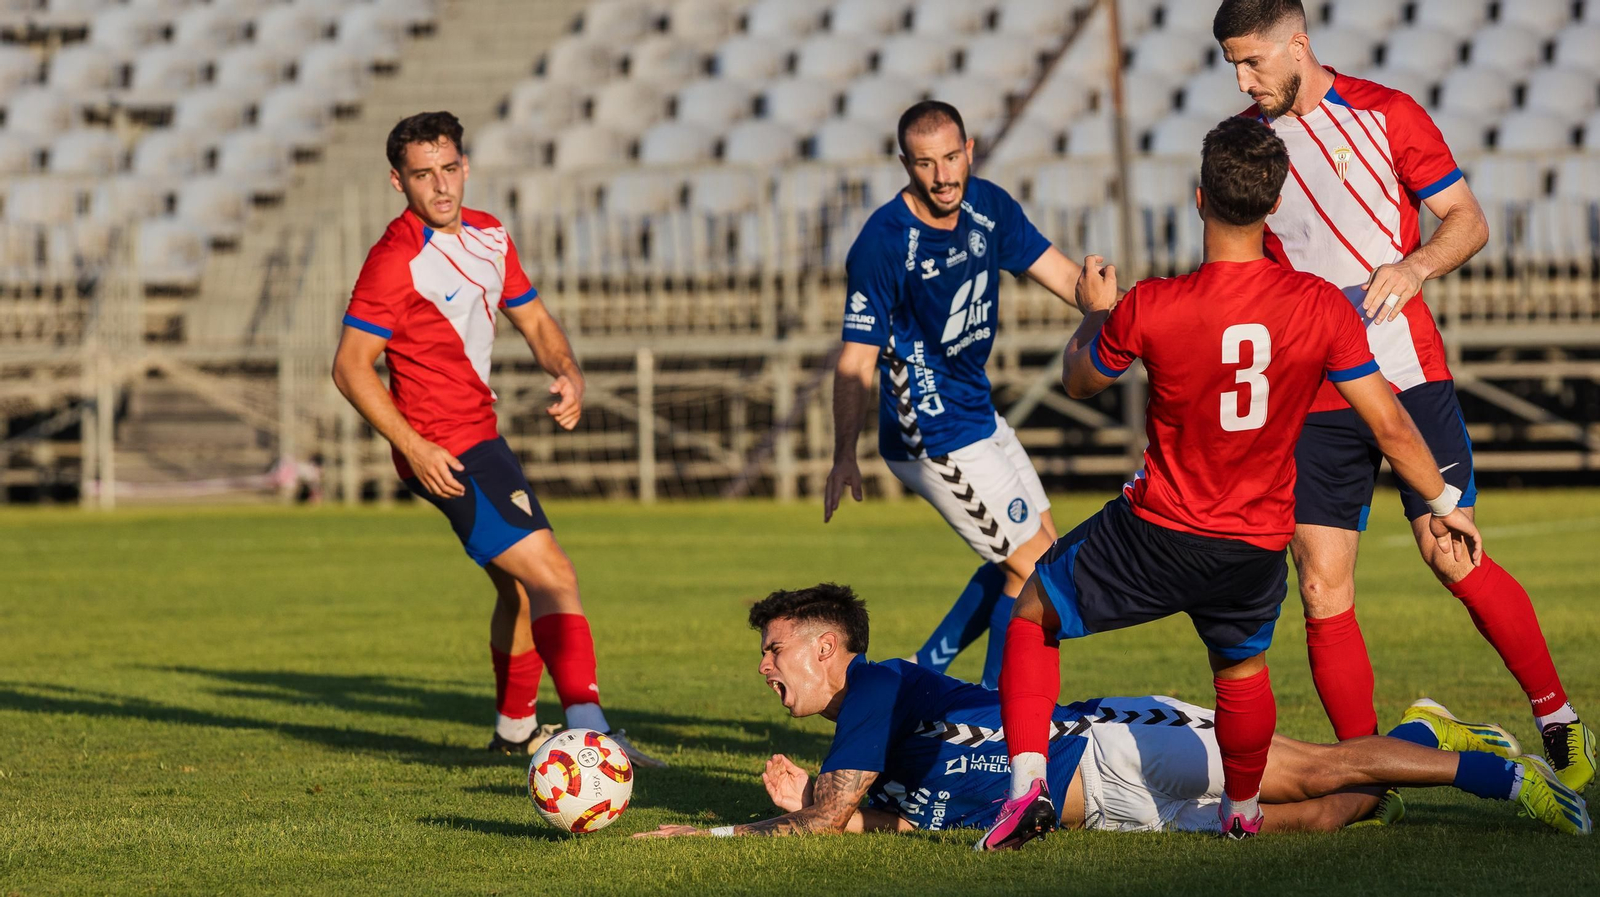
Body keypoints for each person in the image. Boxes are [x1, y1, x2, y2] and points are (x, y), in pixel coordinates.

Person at [985, 117, 1484, 847]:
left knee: (1032, 612)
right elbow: (1391, 426)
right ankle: (1242, 811)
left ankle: (1027, 789)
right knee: (1242, 671)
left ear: (1199, 199)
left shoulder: (1152, 303)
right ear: (1275, 204)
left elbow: (1081, 379)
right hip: (1255, 541)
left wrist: (1096, 312)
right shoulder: (1321, 305)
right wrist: (1443, 502)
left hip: (1158, 530)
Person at [1211, 0, 1593, 791]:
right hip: (1315, 388)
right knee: (1321, 583)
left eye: (1252, 61)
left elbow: (1467, 221)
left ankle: (1558, 718)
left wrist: (1416, 266)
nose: (1242, 80)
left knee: (1451, 552)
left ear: (1297, 44)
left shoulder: (1388, 114)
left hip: (1407, 373)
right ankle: (1368, 774)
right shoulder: (1247, 145)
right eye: (1232, 65)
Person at [630, 584, 1588, 839]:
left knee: (1321, 769)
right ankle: (1424, 732)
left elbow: (828, 817)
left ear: (826, 646)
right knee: (1332, 811)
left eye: (774, 648)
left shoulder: (874, 687)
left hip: (1112, 745)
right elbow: (873, 822)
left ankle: (1507, 777)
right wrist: (818, 808)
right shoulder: (867, 740)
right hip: (1114, 810)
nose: (764, 667)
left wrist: (713, 831)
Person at [330, 111, 663, 766]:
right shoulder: (394, 260)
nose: (440, 186)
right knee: (553, 573)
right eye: (422, 175)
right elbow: (349, 367)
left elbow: (533, 319)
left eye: (449, 168)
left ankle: (514, 732)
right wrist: (415, 446)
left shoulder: (490, 235)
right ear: (398, 182)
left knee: (520, 587)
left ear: (466, 167)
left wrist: (567, 371)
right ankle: (591, 733)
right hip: (445, 451)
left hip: (481, 437)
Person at [824, 101, 1091, 689]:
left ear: (969, 151)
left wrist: (1135, 314)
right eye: (926, 164)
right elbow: (855, 360)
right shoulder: (883, 243)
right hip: (931, 433)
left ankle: (923, 673)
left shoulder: (988, 207)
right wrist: (844, 453)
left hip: (976, 411)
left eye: (951, 158)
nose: (943, 176)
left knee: (1041, 556)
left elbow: (1065, 277)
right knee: (1036, 570)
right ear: (905, 165)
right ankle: (996, 715)